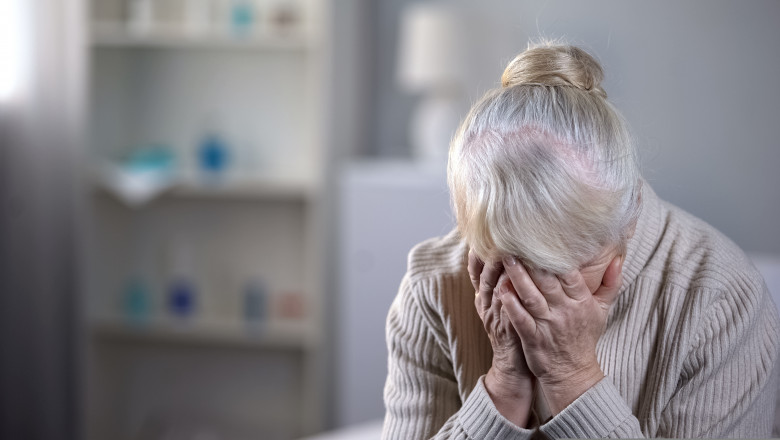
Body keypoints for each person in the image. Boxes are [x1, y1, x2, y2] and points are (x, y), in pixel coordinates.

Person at [382, 42, 780, 439]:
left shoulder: (721, 301)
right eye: (508, 261)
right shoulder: (432, 285)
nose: (533, 294)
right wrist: (504, 387)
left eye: (561, 267)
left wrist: (571, 377)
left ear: (629, 216)